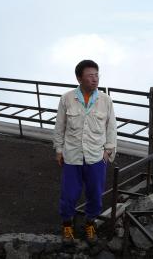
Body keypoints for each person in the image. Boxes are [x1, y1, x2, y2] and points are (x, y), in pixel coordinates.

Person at [53, 59, 117, 245]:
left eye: (96, 75)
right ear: (79, 78)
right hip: (72, 155)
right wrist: (58, 150)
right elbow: (60, 126)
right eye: (90, 75)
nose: (95, 79)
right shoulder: (67, 98)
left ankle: (90, 223)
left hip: (96, 156)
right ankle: (67, 225)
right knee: (69, 193)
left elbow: (111, 127)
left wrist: (109, 151)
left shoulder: (105, 100)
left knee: (95, 193)